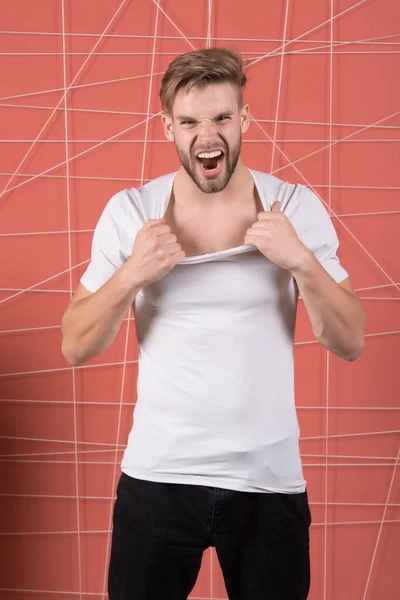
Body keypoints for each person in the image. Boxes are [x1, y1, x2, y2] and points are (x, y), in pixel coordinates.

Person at [61, 47, 366, 600]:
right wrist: (132, 273)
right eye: (190, 121)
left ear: (245, 120)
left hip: (267, 483)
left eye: (223, 117)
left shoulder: (293, 208)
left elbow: (349, 340)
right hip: (158, 476)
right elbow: (75, 345)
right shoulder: (132, 213)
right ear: (168, 128)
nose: (208, 135)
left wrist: (300, 260)